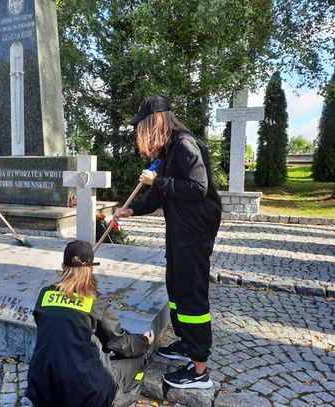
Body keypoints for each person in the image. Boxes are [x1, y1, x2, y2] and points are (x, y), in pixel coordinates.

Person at [114, 95, 222, 390]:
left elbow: (197, 188)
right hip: (180, 230)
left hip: (195, 232)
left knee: (191, 296)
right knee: (176, 289)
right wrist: (131, 209)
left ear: (155, 121)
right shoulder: (168, 149)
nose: (141, 133)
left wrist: (157, 181)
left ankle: (200, 370)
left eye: (142, 126)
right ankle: (187, 344)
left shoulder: (185, 144)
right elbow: (159, 197)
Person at [26, 240, 154, 407]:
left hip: (42, 390)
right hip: (87, 395)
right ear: (91, 269)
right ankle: (122, 397)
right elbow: (119, 343)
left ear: (63, 266)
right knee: (138, 358)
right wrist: (144, 342)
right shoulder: (96, 302)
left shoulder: (45, 295)